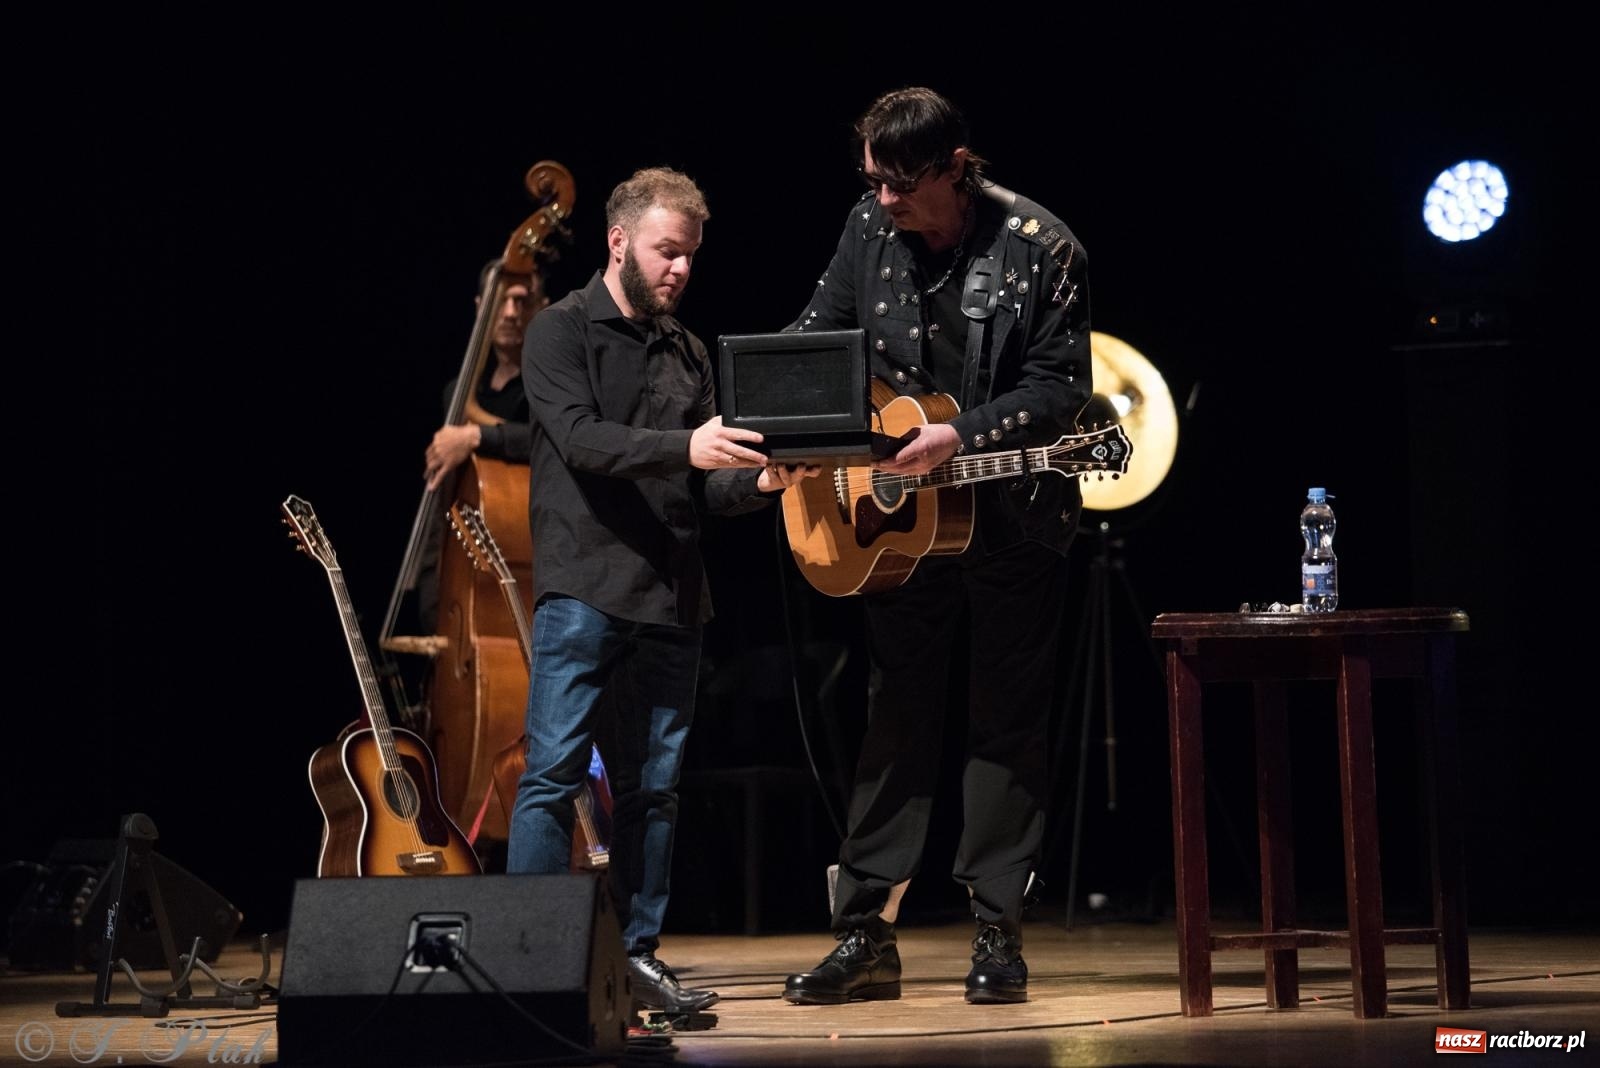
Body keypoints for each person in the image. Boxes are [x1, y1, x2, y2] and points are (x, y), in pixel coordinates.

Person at [781, 86, 1093, 1006]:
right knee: (894, 720)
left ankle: (996, 931)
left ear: (957, 167)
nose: (884, 201)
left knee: (1005, 724)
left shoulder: (1045, 248)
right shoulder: (867, 230)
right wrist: (790, 440)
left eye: (901, 183)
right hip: (898, 528)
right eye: (873, 180)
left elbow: (1060, 388)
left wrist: (963, 435)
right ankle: (866, 932)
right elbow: (816, 338)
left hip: (1014, 519)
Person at [505, 166, 818, 1015]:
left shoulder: (687, 349)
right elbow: (583, 440)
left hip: (673, 596)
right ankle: (531, 958)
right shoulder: (559, 332)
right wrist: (690, 451)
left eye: (690, 256)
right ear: (619, 242)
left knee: (655, 790)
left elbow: (706, 489)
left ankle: (636, 955)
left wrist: (760, 485)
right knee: (554, 774)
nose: (680, 268)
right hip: (585, 587)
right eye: (666, 251)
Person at [414, 261, 549, 635]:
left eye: (522, 302)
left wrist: (477, 437)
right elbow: (442, 505)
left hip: (531, 582)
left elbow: (551, 439)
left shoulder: (552, 388)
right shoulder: (457, 395)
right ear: (480, 308)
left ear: (541, 307)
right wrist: (432, 598)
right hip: (460, 592)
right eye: (499, 301)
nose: (509, 313)